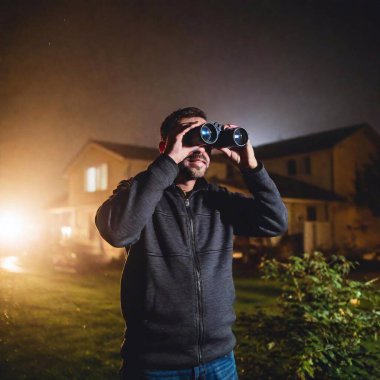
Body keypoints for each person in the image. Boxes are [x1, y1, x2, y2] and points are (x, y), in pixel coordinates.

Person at [95, 107, 288, 379]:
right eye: (189, 135)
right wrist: (169, 160)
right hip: (154, 364)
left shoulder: (218, 201)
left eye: (206, 138)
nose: (200, 148)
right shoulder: (138, 192)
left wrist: (251, 167)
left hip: (219, 361)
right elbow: (117, 232)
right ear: (166, 145)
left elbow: (274, 221)